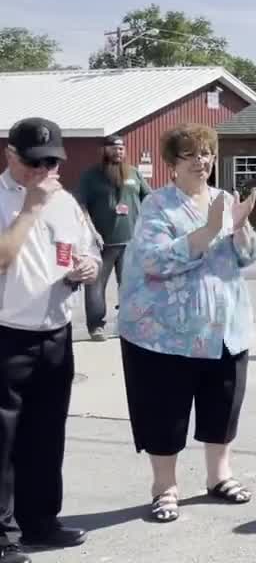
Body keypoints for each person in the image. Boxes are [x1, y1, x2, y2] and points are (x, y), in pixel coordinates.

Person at [114, 123, 256, 524]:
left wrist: (242, 226)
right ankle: (165, 488)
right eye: (192, 154)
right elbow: (153, 261)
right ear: (172, 163)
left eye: (207, 153)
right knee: (166, 412)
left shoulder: (223, 197)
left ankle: (219, 477)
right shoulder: (157, 205)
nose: (202, 161)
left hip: (226, 329)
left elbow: (250, 256)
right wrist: (211, 229)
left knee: (222, 406)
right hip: (166, 334)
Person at [0, 118, 98, 563]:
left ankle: (41, 522)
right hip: (7, 335)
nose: (43, 172)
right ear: (10, 155)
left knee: (46, 435)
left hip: (55, 332)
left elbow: (86, 247)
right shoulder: (8, 199)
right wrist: (31, 209)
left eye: (51, 163)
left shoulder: (66, 201)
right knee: (4, 441)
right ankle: (3, 537)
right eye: (34, 163)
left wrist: (87, 267)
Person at [76, 134, 150, 342]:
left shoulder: (134, 173)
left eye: (121, 148)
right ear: (104, 150)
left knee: (130, 285)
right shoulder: (91, 176)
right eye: (114, 148)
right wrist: (93, 232)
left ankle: (128, 322)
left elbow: (149, 198)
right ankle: (96, 326)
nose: (118, 151)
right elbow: (81, 206)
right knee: (95, 286)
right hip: (102, 243)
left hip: (130, 241)